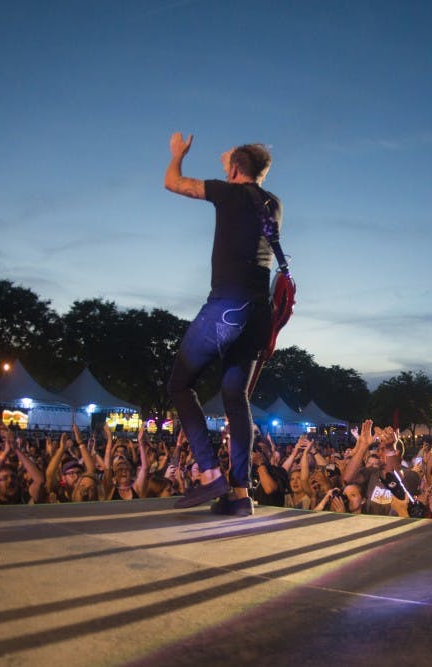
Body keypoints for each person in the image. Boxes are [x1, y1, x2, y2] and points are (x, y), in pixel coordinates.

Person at [164, 132, 280, 517]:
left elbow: (173, 183)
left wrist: (179, 155)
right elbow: (247, 181)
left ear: (233, 170)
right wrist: (236, 163)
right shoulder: (272, 203)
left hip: (227, 308)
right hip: (258, 314)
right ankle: (240, 494)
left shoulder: (227, 193)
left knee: (180, 383)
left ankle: (209, 471)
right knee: (236, 398)